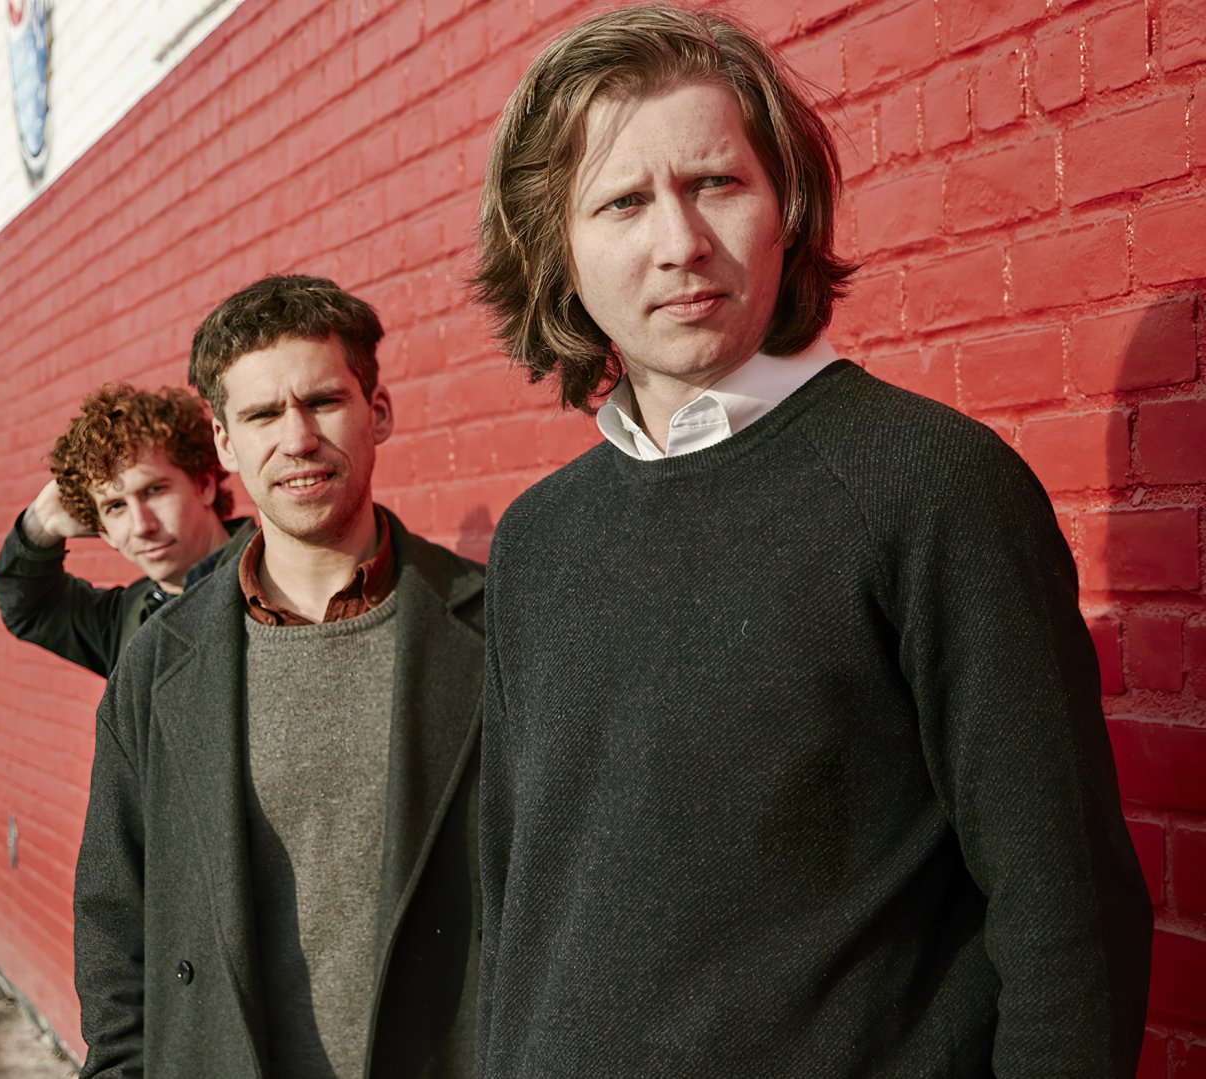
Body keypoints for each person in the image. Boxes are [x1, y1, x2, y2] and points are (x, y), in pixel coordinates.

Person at [469, 5, 1151, 1075]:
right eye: (622, 202)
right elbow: (514, 897)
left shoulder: (931, 486)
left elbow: (1069, 918)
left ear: (787, 206)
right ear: (556, 250)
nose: (680, 243)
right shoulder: (537, 539)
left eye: (716, 183)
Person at [73, 274, 485, 1078]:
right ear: (224, 443)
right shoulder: (157, 663)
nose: (297, 438)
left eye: (323, 401)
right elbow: (114, 921)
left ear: (379, 411)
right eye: (262, 414)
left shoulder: (489, 625)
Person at [0, 382, 251, 676]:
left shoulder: (276, 575)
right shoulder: (126, 617)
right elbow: (30, 608)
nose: (141, 526)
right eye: (116, 506)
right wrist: (41, 522)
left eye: (154, 490)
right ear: (104, 532)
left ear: (204, 485)